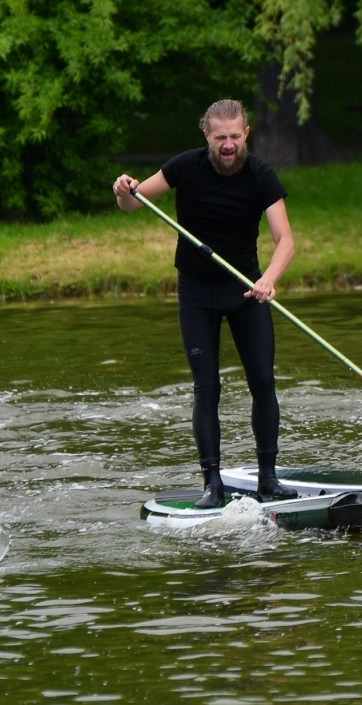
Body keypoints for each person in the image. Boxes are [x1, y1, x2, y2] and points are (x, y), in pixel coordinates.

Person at [113, 100, 296, 507]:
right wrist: (124, 190)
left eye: (234, 136)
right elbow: (134, 201)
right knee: (206, 386)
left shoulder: (261, 175)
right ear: (207, 137)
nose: (228, 145)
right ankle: (213, 483)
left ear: (245, 133)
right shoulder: (185, 166)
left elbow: (286, 240)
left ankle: (269, 477)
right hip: (197, 292)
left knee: (262, 381)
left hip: (247, 290)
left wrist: (269, 279)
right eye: (220, 138)